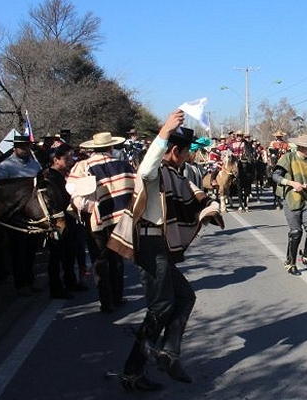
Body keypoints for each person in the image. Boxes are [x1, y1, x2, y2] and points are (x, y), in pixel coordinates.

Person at [115, 109, 223, 391]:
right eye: (186, 153)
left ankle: (168, 354)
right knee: (160, 307)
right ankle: (133, 371)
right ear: (175, 151)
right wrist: (164, 130)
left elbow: (193, 200)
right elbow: (145, 167)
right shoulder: (156, 173)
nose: (188, 158)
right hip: (149, 244)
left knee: (184, 297)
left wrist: (207, 210)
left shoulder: (176, 175)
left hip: (160, 245)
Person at [68, 132, 135, 313]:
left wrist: (88, 209)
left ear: (93, 148)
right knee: (117, 259)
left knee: (99, 260)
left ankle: (106, 302)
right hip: (120, 219)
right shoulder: (123, 165)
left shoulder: (83, 166)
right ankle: (118, 296)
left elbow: (73, 192)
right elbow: (134, 189)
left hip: (96, 221)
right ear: (111, 147)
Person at [0, 133, 43, 297]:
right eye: (21, 147)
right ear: (15, 148)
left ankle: (30, 280)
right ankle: (20, 284)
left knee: (31, 249)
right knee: (17, 250)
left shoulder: (35, 166)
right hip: (15, 214)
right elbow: (0, 190)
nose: (25, 149)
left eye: (27, 146)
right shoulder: (5, 166)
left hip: (34, 213)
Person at [272, 134, 307, 275]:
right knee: (296, 232)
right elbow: (275, 176)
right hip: (291, 199)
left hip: (306, 200)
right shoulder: (288, 158)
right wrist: (291, 182)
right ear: (302, 147)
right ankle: (290, 262)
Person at [42, 145, 84, 299]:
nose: (69, 161)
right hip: (57, 221)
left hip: (69, 218)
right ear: (56, 160)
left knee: (69, 253)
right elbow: (54, 200)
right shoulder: (49, 178)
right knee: (56, 256)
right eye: (66, 159)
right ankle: (56, 288)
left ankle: (70, 281)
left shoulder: (62, 175)